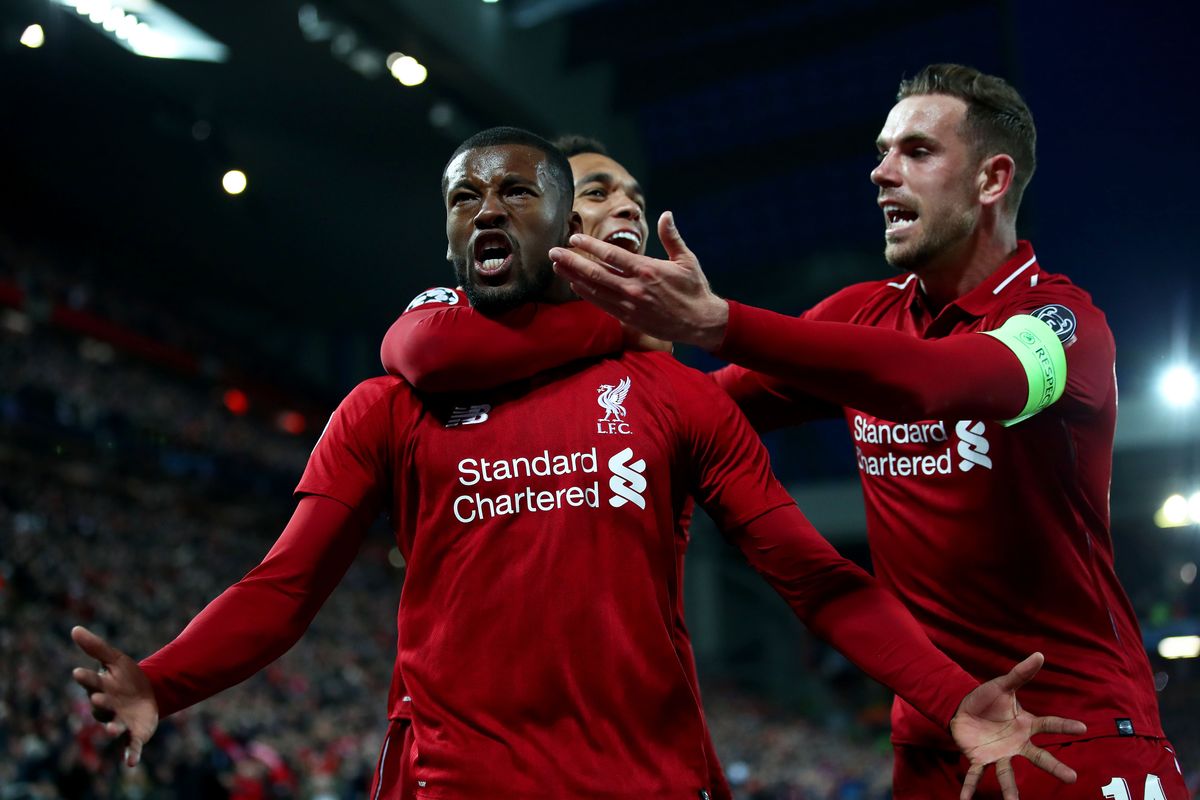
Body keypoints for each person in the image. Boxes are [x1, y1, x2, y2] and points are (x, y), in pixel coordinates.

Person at [73, 127, 1082, 800]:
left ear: (559, 225)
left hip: (644, 777)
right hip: (455, 781)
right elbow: (283, 586)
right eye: (466, 197)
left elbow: (814, 576)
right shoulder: (388, 401)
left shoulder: (673, 395)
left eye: (517, 191)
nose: (488, 211)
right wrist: (165, 680)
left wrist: (953, 691)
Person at [542, 66, 1188, 799]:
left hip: (1073, 736)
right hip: (933, 741)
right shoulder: (860, 315)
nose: (881, 173)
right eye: (882, 152)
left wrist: (720, 323)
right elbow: (694, 413)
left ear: (991, 179)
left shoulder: (1063, 328)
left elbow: (932, 382)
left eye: (916, 152)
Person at [379, 134, 724, 798]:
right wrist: (618, 323)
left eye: (636, 198)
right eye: (598, 193)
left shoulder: (660, 384)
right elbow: (419, 347)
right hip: (471, 768)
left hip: (642, 759)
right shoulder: (454, 329)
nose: (627, 208)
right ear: (556, 219)